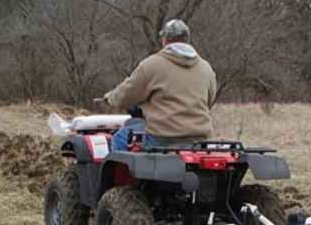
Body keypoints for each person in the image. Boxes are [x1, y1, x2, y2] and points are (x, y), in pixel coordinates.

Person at [92, 19, 218, 150]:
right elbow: (209, 101)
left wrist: (110, 98)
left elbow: (126, 94)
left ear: (165, 40)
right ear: (187, 39)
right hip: (200, 139)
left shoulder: (152, 65)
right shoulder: (206, 68)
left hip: (162, 138)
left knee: (120, 139)